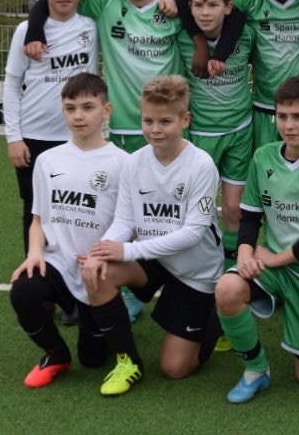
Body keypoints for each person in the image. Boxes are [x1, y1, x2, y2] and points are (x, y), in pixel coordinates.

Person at [215, 76, 299, 403]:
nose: (289, 125)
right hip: (274, 267)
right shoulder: (263, 157)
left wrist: (274, 258)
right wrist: (245, 256)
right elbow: (250, 217)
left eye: (298, 116)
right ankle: (256, 370)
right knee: (227, 288)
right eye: (282, 116)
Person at [84, 76, 225, 391]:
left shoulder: (202, 165)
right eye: (148, 121)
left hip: (194, 271)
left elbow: (193, 233)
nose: (155, 129)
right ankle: (127, 362)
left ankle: (215, 316)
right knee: (100, 271)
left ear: (185, 120)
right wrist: (101, 250)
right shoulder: (134, 163)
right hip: (153, 258)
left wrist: (128, 250)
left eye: (165, 121)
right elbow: (124, 220)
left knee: (175, 369)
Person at [7, 73, 128, 390]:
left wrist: (104, 255)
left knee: (94, 358)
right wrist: (35, 253)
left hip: (96, 268)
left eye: (88, 107)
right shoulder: (48, 161)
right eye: (70, 108)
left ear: (106, 110)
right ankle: (56, 354)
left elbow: (129, 226)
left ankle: (108, 311)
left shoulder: (123, 163)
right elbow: (38, 219)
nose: (78, 116)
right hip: (58, 262)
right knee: (23, 290)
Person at [23, 0, 186, 155]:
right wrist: (34, 31)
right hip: (125, 126)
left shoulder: (174, 13)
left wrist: (175, 2)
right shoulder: (106, 4)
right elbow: (54, 0)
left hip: (169, 122)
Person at [179, 0, 299, 152]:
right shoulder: (253, 2)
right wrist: (201, 44)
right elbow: (188, 0)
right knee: (265, 167)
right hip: (264, 107)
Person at [4, 0, 96, 250]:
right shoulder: (26, 31)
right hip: (34, 136)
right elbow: (12, 84)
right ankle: (36, 267)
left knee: (79, 206)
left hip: (79, 135)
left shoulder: (92, 26)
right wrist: (14, 137)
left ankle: (75, 265)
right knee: (36, 208)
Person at [175, 0, 256, 259]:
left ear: (228, 7)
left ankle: (232, 264)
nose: (205, 13)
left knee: (234, 208)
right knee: (199, 207)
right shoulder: (182, 37)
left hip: (239, 131)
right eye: (198, 5)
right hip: (200, 133)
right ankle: (201, 264)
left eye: (213, 5)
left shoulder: (246, 34)